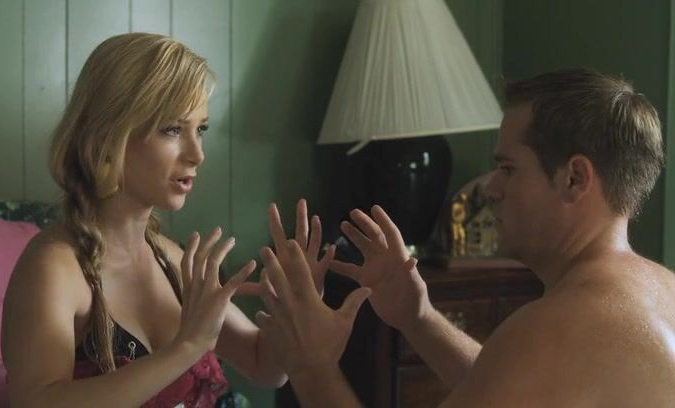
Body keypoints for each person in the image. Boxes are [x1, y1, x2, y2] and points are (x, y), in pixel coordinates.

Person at [255, 68, 675, 407]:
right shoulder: (661, 292)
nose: (490, 188)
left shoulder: (559, 327)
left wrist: (311, 366)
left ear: (574, 178)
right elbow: (508, 387)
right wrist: (417, 317)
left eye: (508, 169)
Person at [1, 33, 325, 407]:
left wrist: (295, 309)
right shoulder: (54, 267)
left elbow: (264, 365)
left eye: (200, 129)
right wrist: (187, 347)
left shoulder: (171, 260)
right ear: (109, 136)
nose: (197, 154)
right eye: (172, 129)